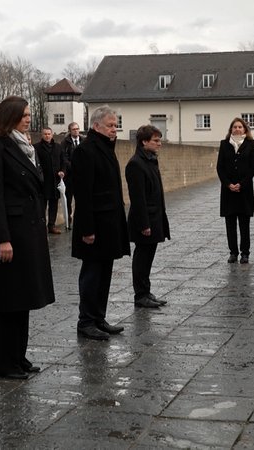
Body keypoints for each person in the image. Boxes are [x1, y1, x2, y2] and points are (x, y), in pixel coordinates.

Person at [0, 96, 56, 378]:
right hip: (11, 234)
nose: (28, 119)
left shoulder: (26, 147)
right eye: (23, 115)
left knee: (23, 298)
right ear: (10, 116)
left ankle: (18, 356)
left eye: (29, 115)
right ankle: (4, 363)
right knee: (9, 301)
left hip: (29, 232)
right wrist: (2, 237)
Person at [71, 105, 130, 340]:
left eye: (116, 125)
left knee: (105, 272)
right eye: (110, 125)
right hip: (94, 224)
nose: (114, 129)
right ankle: (86, 321)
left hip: (109, 222)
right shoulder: (85, 151)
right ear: (96, 126)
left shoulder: (106, 147)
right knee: (92, 273)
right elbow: (83, 193)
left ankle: (98, 317)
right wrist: (87, 229)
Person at [125, 125, 170, 308]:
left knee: (148, 256)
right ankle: (140, 295)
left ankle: (146, 291)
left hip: (155, 216)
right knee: (142, 257)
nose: (159, 143)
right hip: (145, 219)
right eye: (155, 140)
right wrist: (144, 224)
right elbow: (138, 198)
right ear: (144, 142)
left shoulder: (150, 160)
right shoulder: (136, 164)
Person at [217, 117, 254, 264]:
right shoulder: (224, 144)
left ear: (245, 129)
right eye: (235, 127)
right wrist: (228, 184)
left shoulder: (251, 144)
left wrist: (241, 184)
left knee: (244, 224)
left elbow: (253, 167)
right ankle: (233, 252)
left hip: (244, 190)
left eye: (240, 127)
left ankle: (245, 253)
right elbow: (220, 167)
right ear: (231, 129)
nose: (237, 129)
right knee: (230, 225)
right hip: (228, 191)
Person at [35, 127, 67, 234]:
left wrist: (62, 171)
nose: (47, 136)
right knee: (42, 206)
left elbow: (63, 161)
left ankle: (51, 226)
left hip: (55, 181)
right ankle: (41, 227)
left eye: (49, 134)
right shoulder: (36, 147)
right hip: (43, 181)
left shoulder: (58, 147)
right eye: (45, 134)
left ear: (52, 135)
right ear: (42, 135)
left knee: (54, 205)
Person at [62, 122, 81, 228]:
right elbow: (64, 158)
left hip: (81, 176)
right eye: (74, 129)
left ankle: (80, 219)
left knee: (81, 199)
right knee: (69, 199)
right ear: (70, 131)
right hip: (70, 176)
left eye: (77, 129)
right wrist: (73, 167)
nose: (76, 131)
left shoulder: (83, 140)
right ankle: (68, 220)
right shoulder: (65, 142)